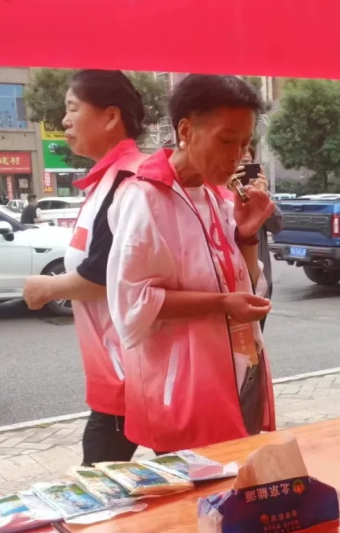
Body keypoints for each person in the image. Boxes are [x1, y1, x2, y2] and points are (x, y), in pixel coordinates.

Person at [106, 74, 277, 454]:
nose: (237, 155)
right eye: (226, 140)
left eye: (245, 143)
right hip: (184, 385)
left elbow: (246, 286)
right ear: (186, 130)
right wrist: (221, 304)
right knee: (202, 483)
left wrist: (247, 236)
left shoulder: (218, 197)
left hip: (240, 370)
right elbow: (133, 302)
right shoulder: (145, 197)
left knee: (239, 473)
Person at [22, 69, 148, 466]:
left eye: (73, 108)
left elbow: (109, 274)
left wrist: (48, 288)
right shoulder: (107, 181)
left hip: (135, 369)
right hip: (120, 370)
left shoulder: (128, 181)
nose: (64, 120)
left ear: (110, 116)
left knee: (99, 481)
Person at [239, 145, 283, 331]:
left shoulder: (260, 196)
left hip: (260, 283)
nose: (240, 168)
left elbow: (278, 225)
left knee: (257, 340)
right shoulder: (217, 196)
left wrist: (263, 196)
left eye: (246, 163)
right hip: (232, 286)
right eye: (237, 164)